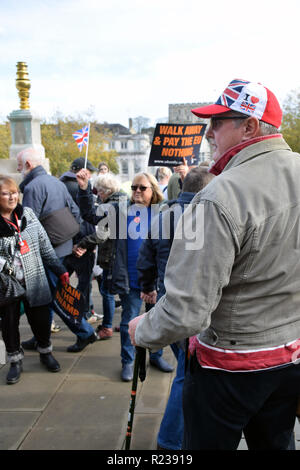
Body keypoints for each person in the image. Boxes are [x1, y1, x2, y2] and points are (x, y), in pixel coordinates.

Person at [129, 78, 300, 450]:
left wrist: (142, 330)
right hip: (289, 355)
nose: (210, 132)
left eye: (219, 122)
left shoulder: (220, 195)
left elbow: (186, 312)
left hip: (230, 366)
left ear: (250, 126)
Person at [137, 166, 214, 450]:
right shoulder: (206, 218)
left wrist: (147, 288)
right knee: (186, 376)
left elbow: (145, 258)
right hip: (192, 309)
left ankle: (178, 436)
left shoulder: (162, 217)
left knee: (188, 372)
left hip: (166, 304)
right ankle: (170, 441)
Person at [76, 170, 173, 381]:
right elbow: (92, 216)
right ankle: (127, 362)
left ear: (153, 190)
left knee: (157, 322)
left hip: (156, 281)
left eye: (142, 188)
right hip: (130, 280)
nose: (136, 191)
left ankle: (156, 355)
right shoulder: (121, 211)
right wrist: (84, 189)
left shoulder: (162, 212)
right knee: (130, 322)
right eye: (134, 187)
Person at [16, 148, 97, 353]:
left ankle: (85, 332)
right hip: (63, 246)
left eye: (19, 165)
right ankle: (41, 335)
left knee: (56, 297)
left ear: (28, 165)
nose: (18, 169)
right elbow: (76, 212)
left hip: (47, 252)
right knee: (48, 296)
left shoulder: (34, 186)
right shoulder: (56, 182)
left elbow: (28, 225)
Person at [0, 176, 68, 384]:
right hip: (6, 284)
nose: (12, 197)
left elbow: (44, 244)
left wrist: (59, 270)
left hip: (35, 279)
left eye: (14, 192)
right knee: (9, 324)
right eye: (5, 193)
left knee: (41, 319)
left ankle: (45, 352)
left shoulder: (27, 214)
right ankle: (15, 360)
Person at [74, 173, 127, 339]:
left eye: (99, 191)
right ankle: (125, 322)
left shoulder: (111, 206)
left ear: (106, 191)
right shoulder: (123, 200)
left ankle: (107, 327)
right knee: (124, 293)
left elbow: (99, 229)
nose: (97, 194)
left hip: (113, 255)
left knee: (107, 291)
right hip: (122, 255)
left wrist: (82, 244)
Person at [60, 157, 101, 325]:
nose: (89, 176)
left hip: (67, 243)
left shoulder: (60, 184)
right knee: (83, 284)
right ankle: (79, 316)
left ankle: (81, 312)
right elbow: (83, 217)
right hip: (80, 243)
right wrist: (85, 244)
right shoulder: (76, 187)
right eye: (88, 172)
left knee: (62, 280)